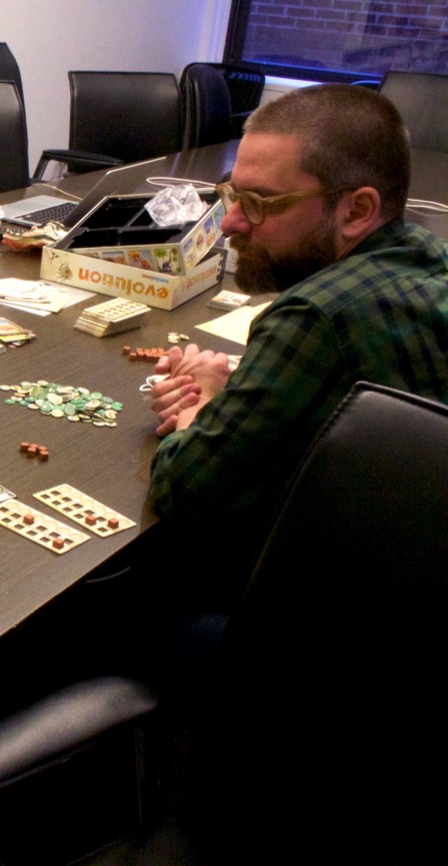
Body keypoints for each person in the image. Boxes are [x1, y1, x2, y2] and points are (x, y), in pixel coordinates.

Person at [147, 83, 448, 598]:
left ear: (357, 210)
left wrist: (203, 407)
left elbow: (184, 490)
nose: (232, 223)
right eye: (231, 195)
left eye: (260, 202)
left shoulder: (315, 317)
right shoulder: (426, 255)